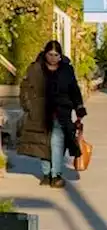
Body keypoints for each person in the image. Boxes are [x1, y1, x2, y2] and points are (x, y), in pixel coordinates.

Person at [17, 41, 87, 188]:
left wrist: (79, 108)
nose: (53, 58)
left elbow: (74, 89)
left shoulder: (66, 70)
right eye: (50, 54)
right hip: (40, 111)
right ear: (45, 53)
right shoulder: (35, 68)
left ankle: (56, 175)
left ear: (60, 56)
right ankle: (47, 173)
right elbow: (25, 87)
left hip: (61, 111)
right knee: (44, 143)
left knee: (57, 142)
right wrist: (28, 105)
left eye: (56, 55)